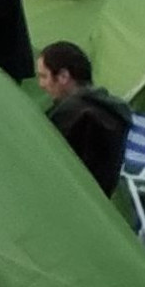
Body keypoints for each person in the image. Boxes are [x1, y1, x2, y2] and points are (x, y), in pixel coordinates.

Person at [37, 41, 138, 199]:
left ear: (63, 76)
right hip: (98, 205)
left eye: (44, 76)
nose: (41, 84)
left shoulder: (70, 113)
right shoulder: (112, 111)